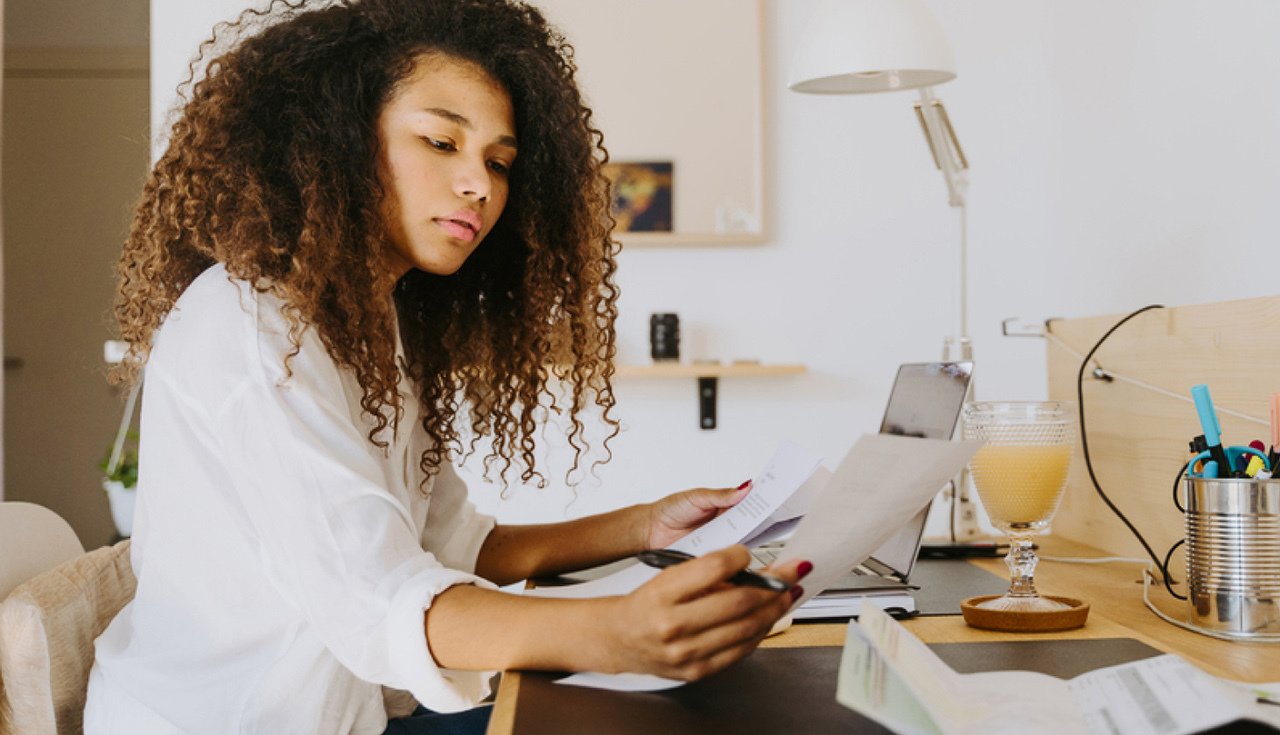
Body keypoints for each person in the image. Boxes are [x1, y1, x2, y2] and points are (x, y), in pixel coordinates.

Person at [84, 1, 810, 733]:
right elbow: (380, 599)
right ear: (335, 139)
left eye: (498, 162)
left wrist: (648, 525)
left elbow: (454, 545)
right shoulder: (253, 324)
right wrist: (614, 632)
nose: (480, 185)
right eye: (440, 141)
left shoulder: (373, 323)